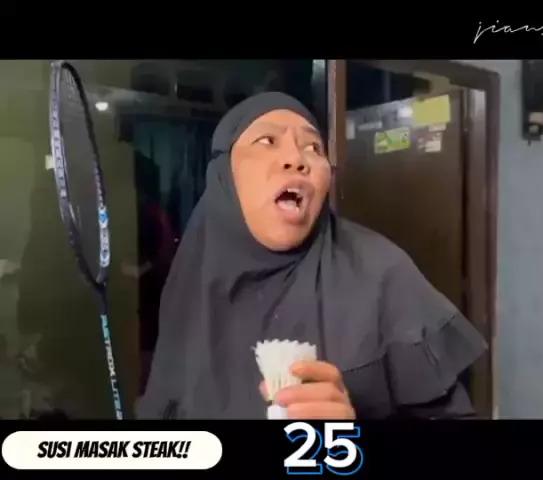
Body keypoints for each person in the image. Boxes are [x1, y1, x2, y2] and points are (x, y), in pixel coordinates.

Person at [137, 92, 487, 420]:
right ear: (224, 173)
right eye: (267, 141)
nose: (297, 160)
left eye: (313, 147)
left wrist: (346, 441)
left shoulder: (383, 273)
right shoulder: (193, 270)